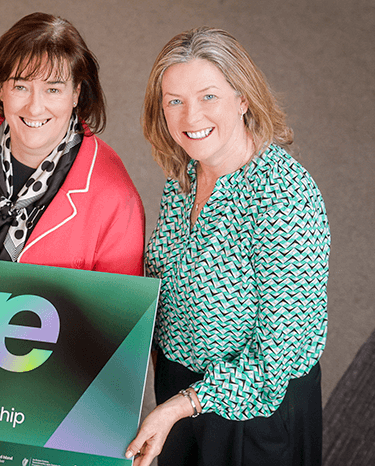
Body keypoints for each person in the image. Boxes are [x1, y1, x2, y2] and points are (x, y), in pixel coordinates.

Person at [126, 27, 330, 466]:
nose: (190, 116)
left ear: (243, 98)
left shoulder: (283, 196)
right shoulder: (182, 176)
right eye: (174, 101)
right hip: (181, 395)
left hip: (254, 415)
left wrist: (178, 407)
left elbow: (277, 363)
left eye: (208, 97)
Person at [0, 12, 144, 275]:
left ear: (76, 93)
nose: (34, 107)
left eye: (53, 89)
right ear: (1, 89)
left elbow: (120, 309)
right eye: (21, 87)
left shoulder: (116, 197)